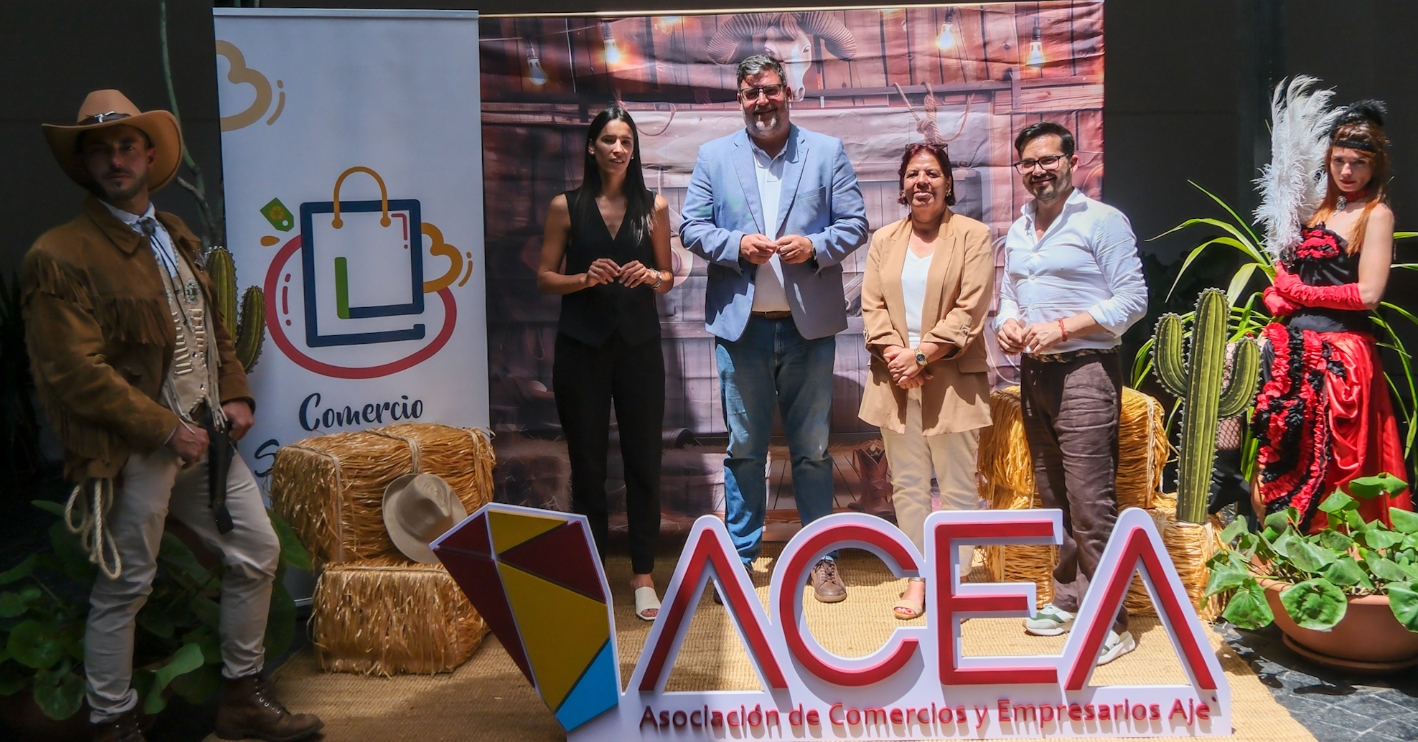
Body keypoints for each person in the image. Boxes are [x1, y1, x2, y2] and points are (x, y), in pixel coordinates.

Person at [23, 90, 322, 742]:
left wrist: (235, 392)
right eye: (100, 150)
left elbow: (211, 324)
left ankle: (241, 698)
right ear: (84, 164)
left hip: (206, 436)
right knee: (126, 585)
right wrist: (165, 429)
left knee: (258, 551)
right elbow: (73, 370)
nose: (115, 159)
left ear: (150, 156)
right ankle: (113, 723)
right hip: (136, 447)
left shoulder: (173, 233)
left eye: (126, 145)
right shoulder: (61, 254)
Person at [680, 54, 869, 602]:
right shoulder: (714, 157)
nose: (761, 101)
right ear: (739, 99)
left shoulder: (826, 151)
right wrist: (736, 244)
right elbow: (691, 228)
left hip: (808, 331)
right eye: (750, 92)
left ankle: (820, 558)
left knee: (812, 449)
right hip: (743, 332)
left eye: (769, 90)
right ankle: (740, 559)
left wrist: (816, 245)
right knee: (744, 449)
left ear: (789, 92)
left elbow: (855, 223)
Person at [995, 121, 1147, 664]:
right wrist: (1007, 324)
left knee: (1089, 501)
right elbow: (1010, 295)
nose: (1038, 171)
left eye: (1048, 160)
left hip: (1085, 370)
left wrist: (1063, 327)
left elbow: (1133, 300)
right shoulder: (1019, 229)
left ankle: (1111, 622)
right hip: (1034, 374)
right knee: (1053, 496)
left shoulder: (1103, 221)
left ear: (1072, 162)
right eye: (1028, 163)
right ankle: (1067, 600)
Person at [537, 104, 674, 621]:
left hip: (639, 349)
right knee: (588, 464)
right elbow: (545, 277)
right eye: (609, 140)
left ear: (634, 151)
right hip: (581, 351)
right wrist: (582, 278)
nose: (618, 149)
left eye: (626, 141)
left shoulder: (654, 205)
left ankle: (643, 574)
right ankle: (593, 573)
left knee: (644, 460)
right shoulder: (565, 206)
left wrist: (653, 276)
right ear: (591, 147)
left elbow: (668, 276)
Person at [1254, 101, 1413, 530]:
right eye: (1339, 161)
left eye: (1358, 163)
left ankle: (1338, 545)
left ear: (1375, 166)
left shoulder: (1376, 214)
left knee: (1336, 461)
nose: (1346, 171)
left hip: (1341, 353)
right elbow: (1295, 271)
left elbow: (1369, 294)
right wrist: (1280, 291)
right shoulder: (1320, 212)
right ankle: (1227, 480)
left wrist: (1301, 292)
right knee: (1282, 442)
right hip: (1295, 348)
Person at [858, 143, 993, 619]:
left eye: (932, 173)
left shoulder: (973, 236)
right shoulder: (884, 240)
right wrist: (898, 359)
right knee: (909, 484)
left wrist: (920, 355)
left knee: (957, 485)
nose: (922, 182)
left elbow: (971, 308)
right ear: (902, 185)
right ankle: (917, 576)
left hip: (951, 377)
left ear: (948, 182)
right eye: (913, 174)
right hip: (896, 380)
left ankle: (956, 580)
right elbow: (872, 307)